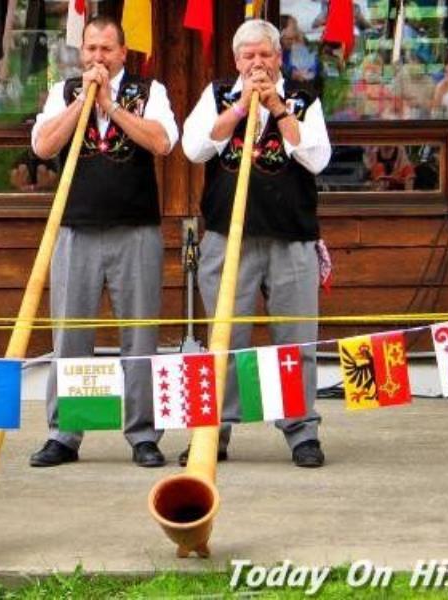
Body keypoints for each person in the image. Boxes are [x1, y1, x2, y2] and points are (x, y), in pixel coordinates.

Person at [29, 16, 179, 468]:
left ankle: (143, 435)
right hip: (76, 230)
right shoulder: (65, 90)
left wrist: (111, 106)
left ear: (122, 52)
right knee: (71, 335)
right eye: (90, 49)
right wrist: (82, 104)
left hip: (135, 230)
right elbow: (42, 146)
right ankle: (66, 434)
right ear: (82, 51)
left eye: (106, 50)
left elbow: (163, 142)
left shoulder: (148, 91)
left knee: (139, 336)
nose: (97, 57)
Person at [180, 19, 331, 468]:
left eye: (265, 54)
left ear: (278, 58)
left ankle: (302, 431)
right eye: (248, 56)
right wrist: (240, 110)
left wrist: (279, 110)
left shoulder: (303, 100)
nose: (257, 63)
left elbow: (317, 158)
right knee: (224, 340)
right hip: (228, 238)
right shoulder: (217, 95)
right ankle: (213, 436)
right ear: (236, 61)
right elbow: (193, 149)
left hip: (292, 238)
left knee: (296, 339)